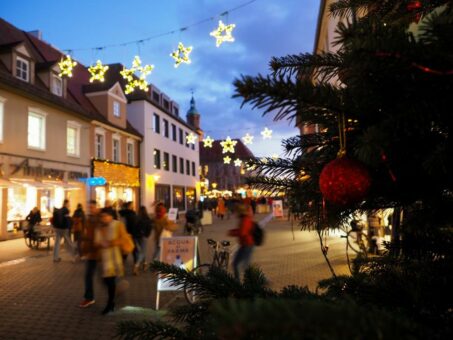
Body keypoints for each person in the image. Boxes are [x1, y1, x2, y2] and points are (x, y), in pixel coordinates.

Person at [95, 208, 125, 315]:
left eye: (105, 216)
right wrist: (100, 244)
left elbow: (124, 239)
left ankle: (110, 304)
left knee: (110, 281)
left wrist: (111, 243)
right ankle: (119, 289)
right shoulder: (99, 227)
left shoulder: (118, 225)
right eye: (102, 216)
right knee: (105, 281)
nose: (103, 218)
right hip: (103, 259)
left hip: (114, 258)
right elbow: (96, 241)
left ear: (111, 216)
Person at [79, 200, 100, 308]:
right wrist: (83, 250)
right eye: (89, 207)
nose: (90, 209)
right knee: (88, 275)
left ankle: (114, 293)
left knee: (106, 277)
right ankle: (89, 297)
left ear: (96, 207)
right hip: (92, 253)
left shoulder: (100, 219)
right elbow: (87, 236)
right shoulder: (88, 219)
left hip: (100, 252)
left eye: (92, 207)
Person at [228, 204, 255, 281]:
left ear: (239, 212)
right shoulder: (245, 218)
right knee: (239, 264)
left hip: (247, 245)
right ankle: (240, 282)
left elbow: (242, 232)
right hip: (245, 245)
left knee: (241, 265)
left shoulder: (245, 219)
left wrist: (232, 232)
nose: (235, 213)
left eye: (236, 212)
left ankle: (255, 282)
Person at [118, 201, 138, 267]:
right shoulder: (132, 214)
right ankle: (135, 265)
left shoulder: (122, 214)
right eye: (132, 205)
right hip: (131, 234)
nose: (133, 206)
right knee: (134, 250)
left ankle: (122, 263)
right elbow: (134, 225)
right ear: (129, 206)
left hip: (125, 234)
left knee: (125, 250)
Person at [135, 206, 153, 273]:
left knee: (142, 250)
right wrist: (147, 235)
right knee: (143, 251)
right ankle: (136, 266)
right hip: (143, 237)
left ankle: (145, 264)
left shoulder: (136, 218)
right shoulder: (147, 218)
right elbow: (150, 228)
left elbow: (134, 227)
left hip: (137, 237)